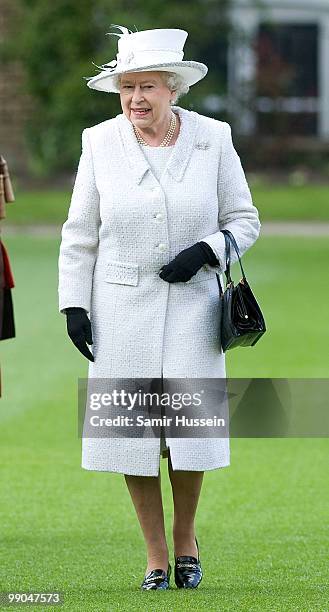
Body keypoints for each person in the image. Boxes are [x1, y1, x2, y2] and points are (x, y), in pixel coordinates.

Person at [58, 25, 261, 591]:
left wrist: (207, 251)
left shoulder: (213, 138)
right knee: (131, 430)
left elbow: (245, 221)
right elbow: (80, 232)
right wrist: (73, 304)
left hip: (195, 310)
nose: (135, 100)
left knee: (189, 432)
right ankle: (154, 557)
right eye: (127, 88)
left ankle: (187, 540)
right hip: (120, 308)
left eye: (147, 86)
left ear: (173, 88)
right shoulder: (98, 142)